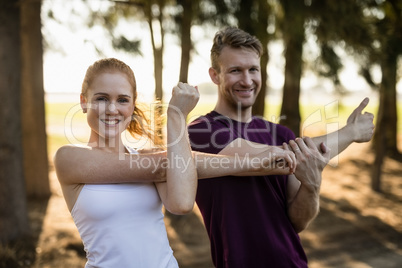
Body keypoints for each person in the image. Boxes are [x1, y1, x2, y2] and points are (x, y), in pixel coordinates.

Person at [53, 58, 298, 267]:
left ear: (133, 103)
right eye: (102, 98)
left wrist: (263, 161)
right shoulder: (69, 158)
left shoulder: (149, 156)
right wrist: (176, 116)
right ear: (84, 101)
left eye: (122, 100)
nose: (112, 108)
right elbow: (165, 166)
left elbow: (181, 203)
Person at [187, 27, 375, 267]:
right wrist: (351, 133)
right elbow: (272, 158)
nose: (247, 80)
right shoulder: (202, 131)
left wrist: (312, 184)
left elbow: (297, 222)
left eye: (253, 69)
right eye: (235, 71)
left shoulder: (281, 134)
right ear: (215, 75)